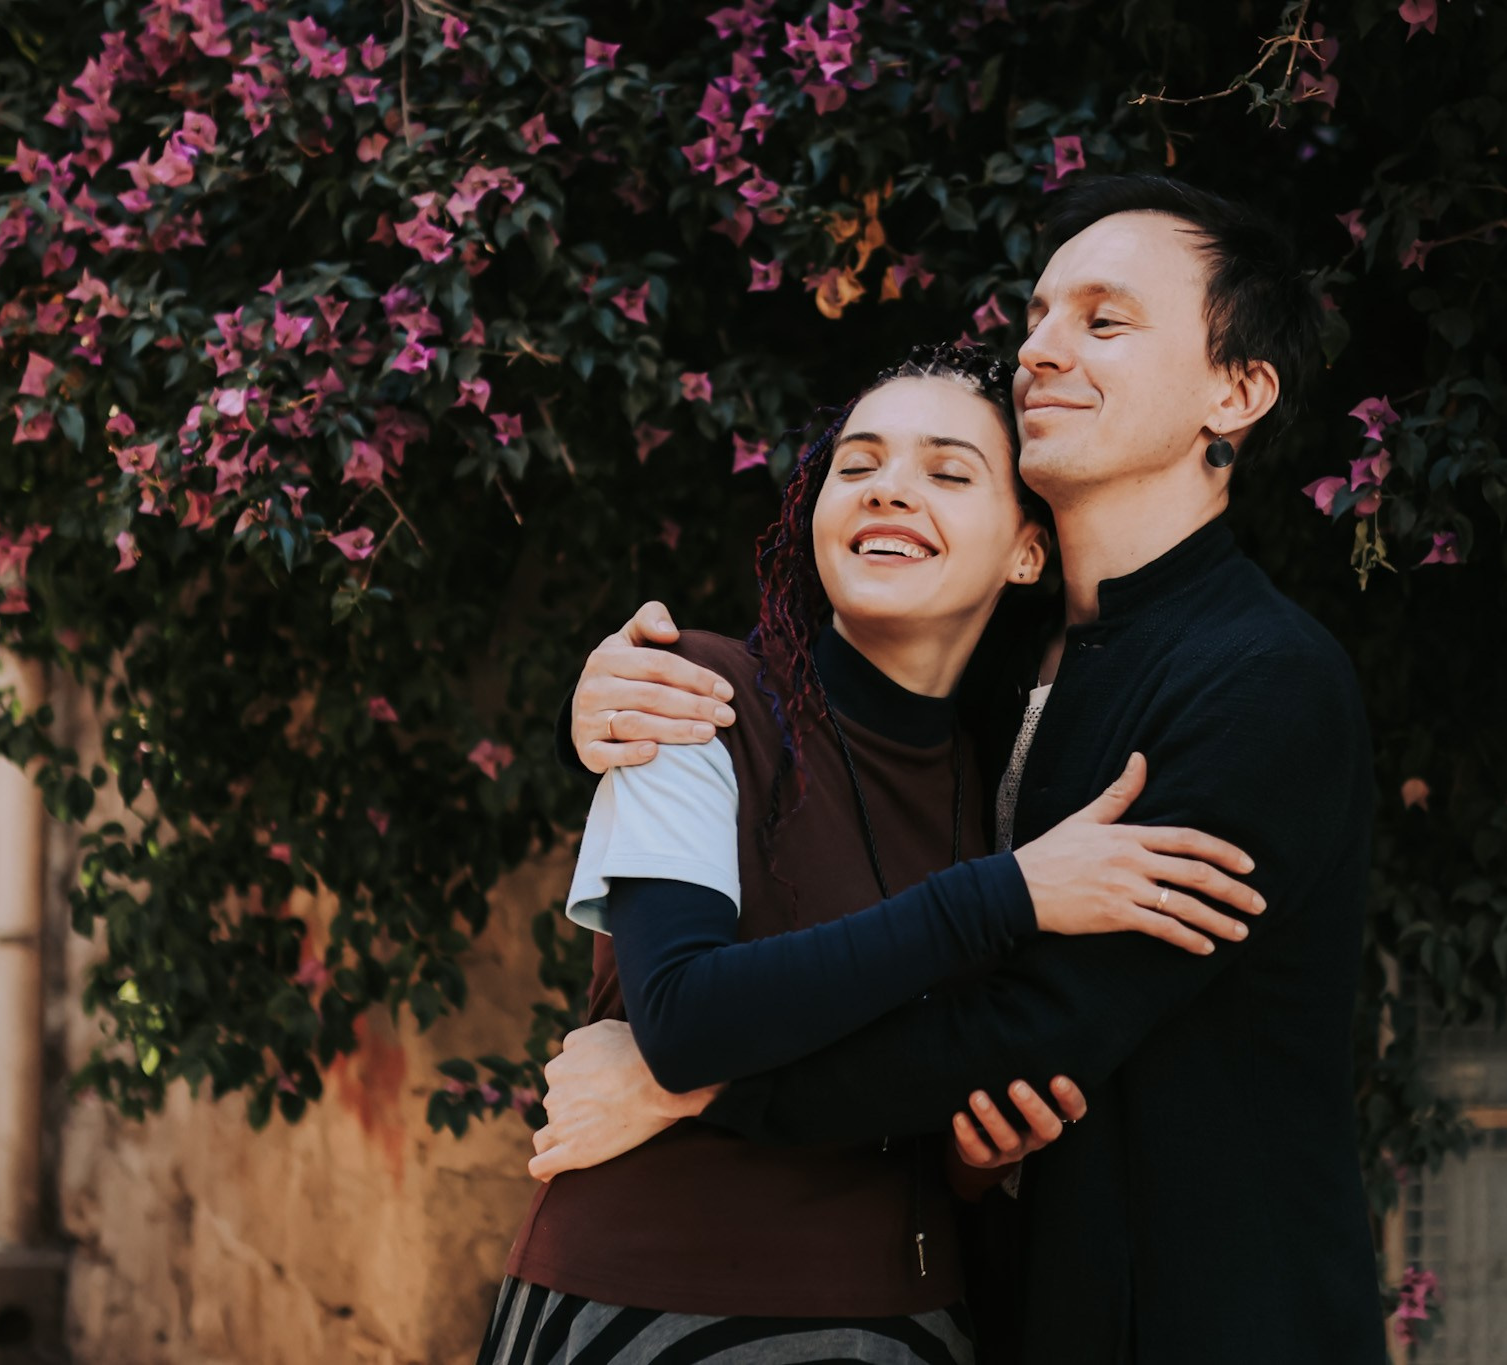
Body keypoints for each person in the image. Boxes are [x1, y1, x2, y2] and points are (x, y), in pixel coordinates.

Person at [538, 175, 1389, 1363]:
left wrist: (694, 1086)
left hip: (1208, 1319)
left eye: (1101, 320)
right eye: (1037, 315)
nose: (1039, 349)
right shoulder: (988, 681)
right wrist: (615, 694)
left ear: (1235, 392)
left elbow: (1030, 1025)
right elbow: (816, 753)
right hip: (1000, 1317)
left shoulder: (1259, 684)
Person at [478, 344, 1267, 1365]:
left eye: (946, 471)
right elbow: (681, 1019)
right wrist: (1009, 896)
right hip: (647, 1306)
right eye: (856, 467)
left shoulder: (1015, 786)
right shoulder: (695, 697)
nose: (888, 490)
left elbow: (948, 1056)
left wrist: (974, 1157)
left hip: (909, 1324)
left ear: (1026, 552)